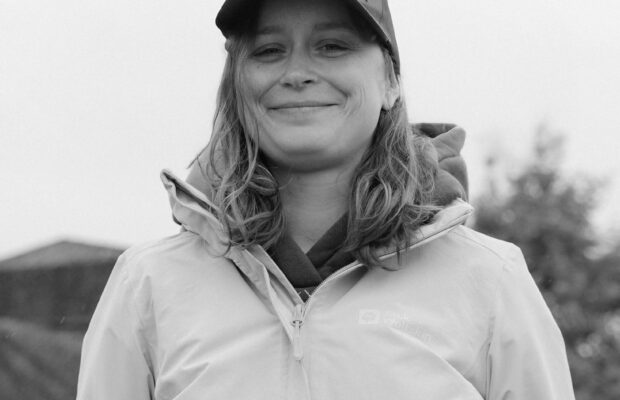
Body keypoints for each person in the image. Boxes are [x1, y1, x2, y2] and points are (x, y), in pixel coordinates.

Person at [77, 0, 575, 399]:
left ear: (391, 82)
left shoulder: (490, 281)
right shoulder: (147, 285)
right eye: (268, 50)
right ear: (236, 86)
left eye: (333, 46)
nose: (297, 72)